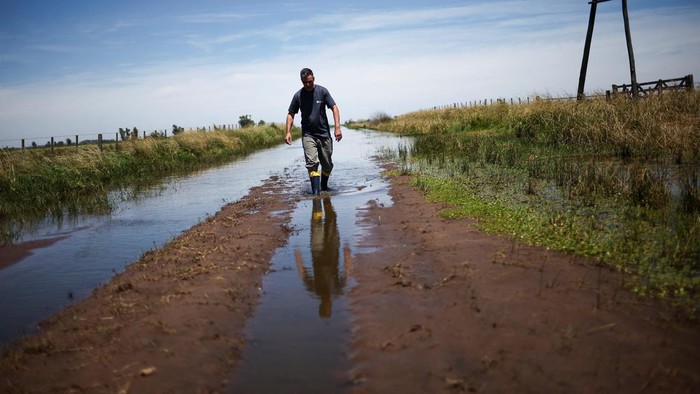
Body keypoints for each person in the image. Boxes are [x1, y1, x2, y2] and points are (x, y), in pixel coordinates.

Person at [286, 68, 342, 195]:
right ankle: (316, 193)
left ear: (314, 79)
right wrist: (288, 132)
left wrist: (337, 127)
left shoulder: (322, 91)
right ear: (301, 81)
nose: (307, 85)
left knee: (327, 165)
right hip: (308, 135)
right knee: (312, 163)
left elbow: (334, 107)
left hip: (324, 134)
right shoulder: (298, 96)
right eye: (305, 82)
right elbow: (291, 114)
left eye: (310, 82)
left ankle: (324, 186)